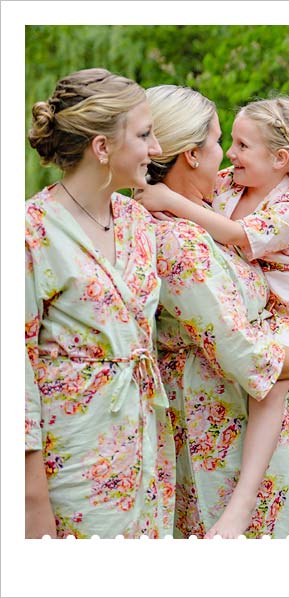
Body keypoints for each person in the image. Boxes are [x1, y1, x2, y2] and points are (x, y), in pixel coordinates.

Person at [143, 85, 289, 538]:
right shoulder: (181, 236)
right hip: (223, 414)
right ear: (190, 154)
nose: (228, 155)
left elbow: (239, 239)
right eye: (219, 141)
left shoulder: (258, 205)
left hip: (282, 333)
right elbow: (242, 352)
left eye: (240, 145)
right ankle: (242, 504)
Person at [25, 68, 169, 538]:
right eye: (145, 134)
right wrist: (31, 501)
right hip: (73, 462)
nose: (157, 149)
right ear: (102, 147)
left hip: (146, 450)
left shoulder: (136, 220)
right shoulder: (31, 232)